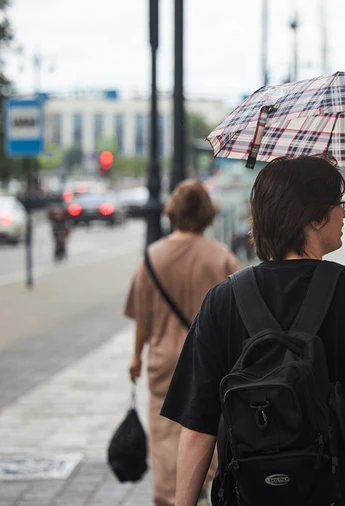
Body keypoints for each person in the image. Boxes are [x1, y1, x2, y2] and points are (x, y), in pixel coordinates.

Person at [159, 155, 345, 506]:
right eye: (339, 205)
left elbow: (198, 428)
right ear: (315, 216)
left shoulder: (222, 300)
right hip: (339, 495)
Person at [125, 180, 241, 506]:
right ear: (207, 214)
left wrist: (136, 357)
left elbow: (142, 317)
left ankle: (168, 498)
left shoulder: (151, 258)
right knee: (212, 428)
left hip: (165, 363)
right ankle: (207, 491)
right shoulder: (222, 258)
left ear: (173, 212)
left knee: (165, 437)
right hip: (213, 364)